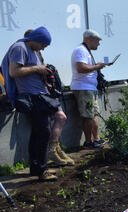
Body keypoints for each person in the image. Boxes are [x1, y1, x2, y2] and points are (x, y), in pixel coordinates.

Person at [1, 27, 61, 181]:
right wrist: (37, 68)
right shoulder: (20, 48)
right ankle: (41, 170)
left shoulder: (32, 50)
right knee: (43, 132)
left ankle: (36, 168)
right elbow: (13, 72)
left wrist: (44, 79)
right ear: (35, 39)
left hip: (38, 95)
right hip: (31, 96)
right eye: (43, 44)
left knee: (38, 133)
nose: (44, 47)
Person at [24, 29, 74, 166]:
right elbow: (17, 72)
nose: (43, 47)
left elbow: (41, 69)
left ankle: (55, 148)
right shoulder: (24, 51)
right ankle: (51, 152)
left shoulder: (37, 53)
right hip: (37, 95)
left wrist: (48, 73)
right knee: (52, 122)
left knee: (60, 117)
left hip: (46, 92)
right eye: (42, 44)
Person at [71, 29, 107, 149]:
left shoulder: (85, 50)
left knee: (94, 113)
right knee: (88, 115)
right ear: (90, 39)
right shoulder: (80, 50)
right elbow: (81, 68)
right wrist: (97, 66)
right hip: (83, 88)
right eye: (98, 41)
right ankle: (88, 142)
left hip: (89, 87)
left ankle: (96, 139)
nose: (99, 44)